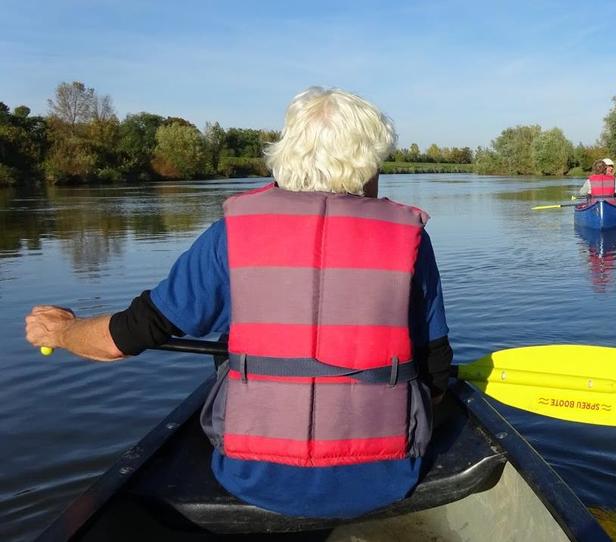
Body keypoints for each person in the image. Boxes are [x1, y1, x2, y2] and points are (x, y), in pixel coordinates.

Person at [24, 87, 453, 519]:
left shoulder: (233, 234)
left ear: (285, 154)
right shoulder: (410, 239)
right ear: (369, 165)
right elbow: (436, 373)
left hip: (253, 477)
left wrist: (61, 331)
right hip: (385, 476)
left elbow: (124, 337)